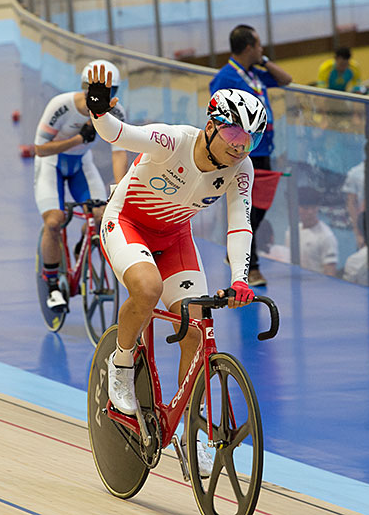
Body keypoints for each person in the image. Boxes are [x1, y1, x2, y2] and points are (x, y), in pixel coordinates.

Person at [87, 63, 265, 477]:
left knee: (198, 329)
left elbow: (240, 224)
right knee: (146, 290)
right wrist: (99, 109)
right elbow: (119, 134)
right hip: (128, 223)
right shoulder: (173, 140)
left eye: (251, 138)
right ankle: (123, 362)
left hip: (174, 240)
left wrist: (239, 277)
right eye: (235, 134)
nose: (241, 147)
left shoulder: (241, 169)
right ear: (211, 126)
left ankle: (192, 434)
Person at [34, 59, 129, 310]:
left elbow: (119, 152)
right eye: (98, 91)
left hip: (81, 165)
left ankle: (83, 246)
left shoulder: (115, 111)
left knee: (100, 215)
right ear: (86, 89)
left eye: (112, 92)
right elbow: (40, 149)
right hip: (51, 164)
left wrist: (119, 189)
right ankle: (53, 284)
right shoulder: (61, 106)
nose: (105, 97)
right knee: (54, 222)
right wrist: (77, 139)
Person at [209, 24, 293, 287]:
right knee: (247, 207)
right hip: (244, 150)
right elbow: (217, 115)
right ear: (248, 47)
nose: (262, 49)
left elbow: (285, 79)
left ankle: (235, 251)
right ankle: (250, 266)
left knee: (261, 205)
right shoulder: (226, 77)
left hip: (264, 147)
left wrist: (264, 61)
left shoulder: (254, 74)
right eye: (258, 46)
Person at [287, 186, 339, 276]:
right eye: (306, 208)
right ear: (296, 208)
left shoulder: (326, 237)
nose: (310, 212)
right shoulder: (291, 231)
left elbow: (330, 274)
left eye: (314, 208)